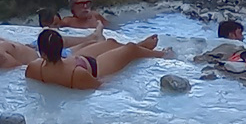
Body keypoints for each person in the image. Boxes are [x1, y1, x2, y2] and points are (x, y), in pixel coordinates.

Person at [25, 27, 170, 91]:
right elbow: (102, 85)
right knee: (130, 49)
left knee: (110, 43)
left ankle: (142, 46)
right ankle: (163, 55)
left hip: (77, 61)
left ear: (42, 53)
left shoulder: (33, 67)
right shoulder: (76, 75)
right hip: (96, 68)